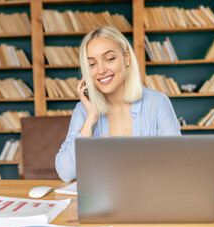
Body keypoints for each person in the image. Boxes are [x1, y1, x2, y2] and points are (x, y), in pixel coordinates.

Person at [55, 26, 181, 183]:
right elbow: (65, 172)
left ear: (126, 57)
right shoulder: (84, 110)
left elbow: (174, 164)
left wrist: (123, 154)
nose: (101, 70)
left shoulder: (158, 103)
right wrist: (91, 118)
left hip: (149, 200)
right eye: (92, 64)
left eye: (109, 59)